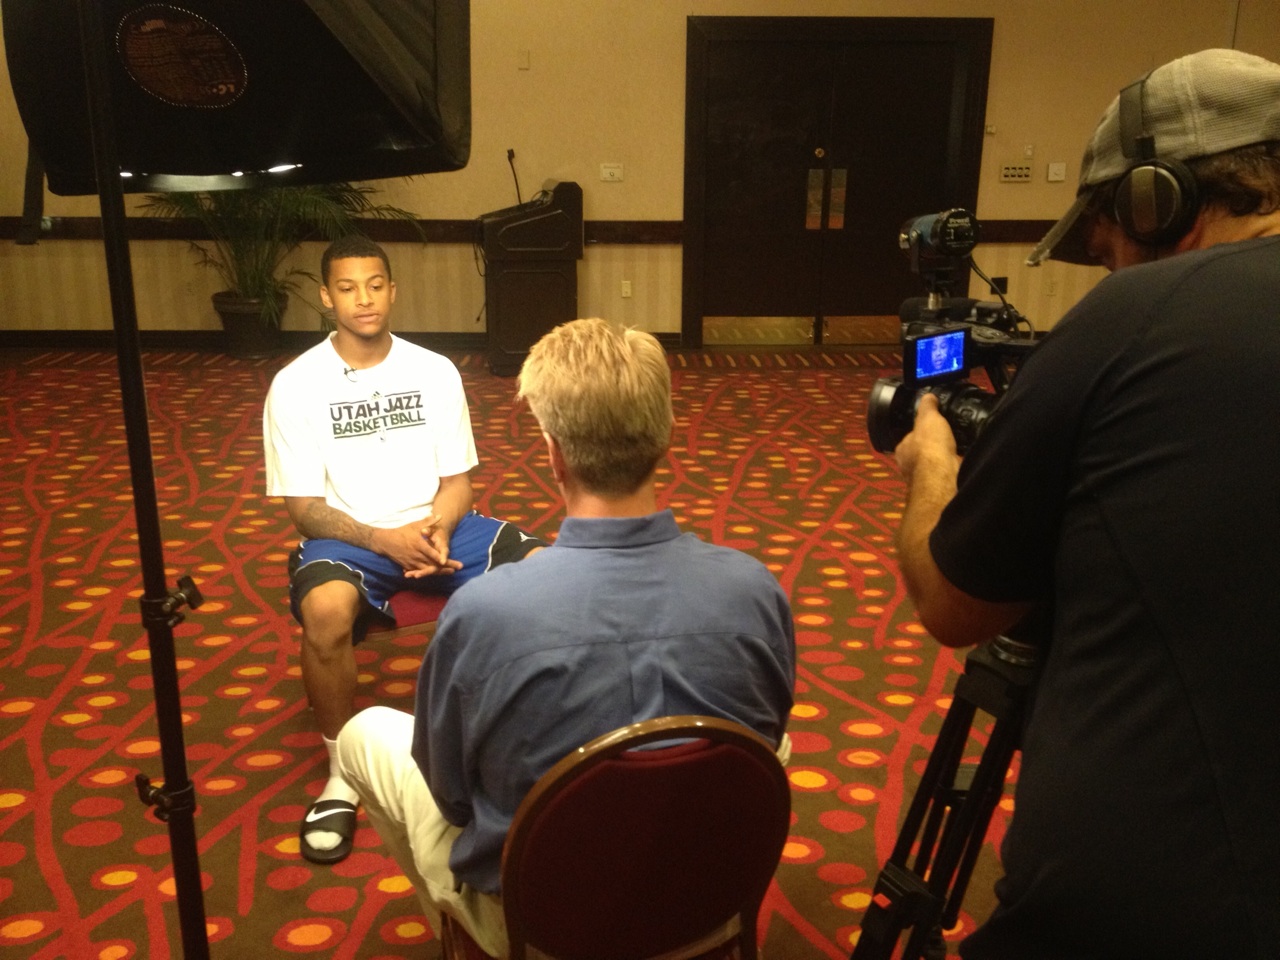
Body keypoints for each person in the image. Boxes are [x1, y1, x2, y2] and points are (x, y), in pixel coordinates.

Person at [892, 48, 1280, 958]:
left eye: (1106, 255)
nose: (1110, 280)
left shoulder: (1134, 320)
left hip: (1156, 899)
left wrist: (933, 469)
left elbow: (954, 600)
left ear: (1156, 202)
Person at [336, 317, 796, 955]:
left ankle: (466, 937)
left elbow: (451, 795)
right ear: (665, 438)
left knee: (362, 737)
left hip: (542, 926)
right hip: (706, 904)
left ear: (552, 452)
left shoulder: (482, 612)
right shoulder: (756, 589)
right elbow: (766, 738)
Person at [262, 234, 547, 865]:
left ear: (392, 289)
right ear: (325, 296)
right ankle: (342, 774)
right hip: (349, 535)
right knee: (328, 613)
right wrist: (381, 539)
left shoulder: (434, 370)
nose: (363, 299)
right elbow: (303, 507)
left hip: (441, 526)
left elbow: (458, 483)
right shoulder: (295, 384)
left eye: (374, 285)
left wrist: (439, 528)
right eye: (346, 287)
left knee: (544, 579)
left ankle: (516, 748)